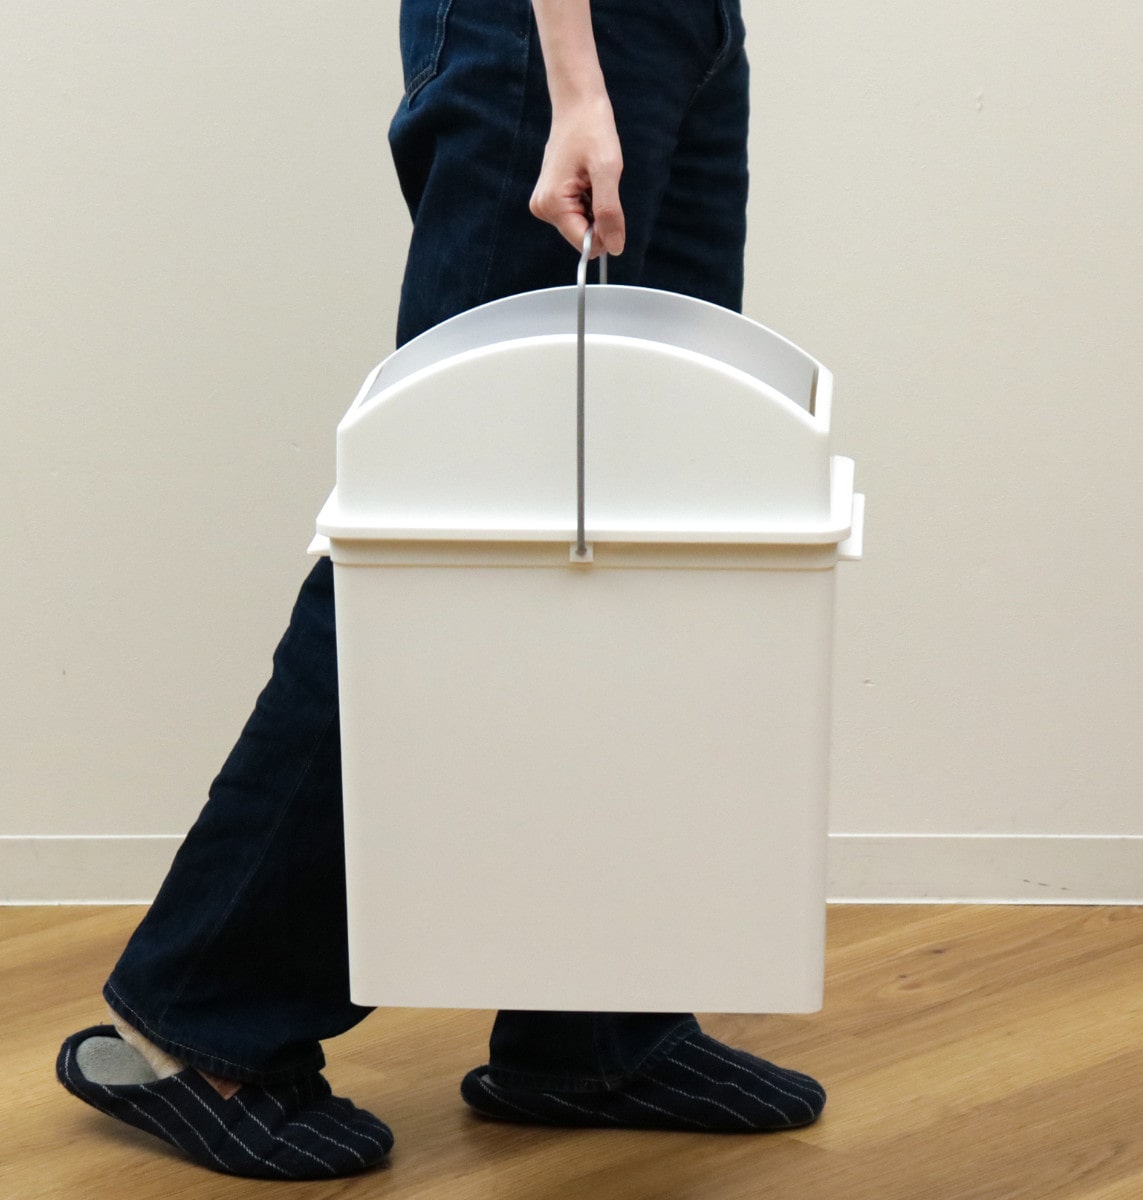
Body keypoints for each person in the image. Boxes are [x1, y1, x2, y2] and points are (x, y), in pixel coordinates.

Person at [56, 0, 826, 1179]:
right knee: (440, 544)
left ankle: (593, 1027)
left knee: (632, 526)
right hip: (556, 36)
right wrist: (576, 78)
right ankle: (199, 1024)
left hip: (680, 33)